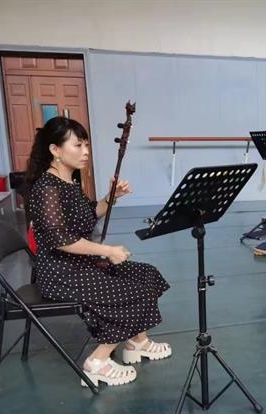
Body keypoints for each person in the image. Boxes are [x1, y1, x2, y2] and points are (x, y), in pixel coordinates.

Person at [25, 116, 172, 387]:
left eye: (86, 145)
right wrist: (107, 250)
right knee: (131, 291)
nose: (85, 152)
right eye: (78, 145)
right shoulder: (47, 188)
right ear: (55, 150)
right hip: (60, 273)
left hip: (80, 264)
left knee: (146, 275)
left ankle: (137, 342)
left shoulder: (69, 181)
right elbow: (60, 239)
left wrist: (110, 198)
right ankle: (97, 362)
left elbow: (88, 215)